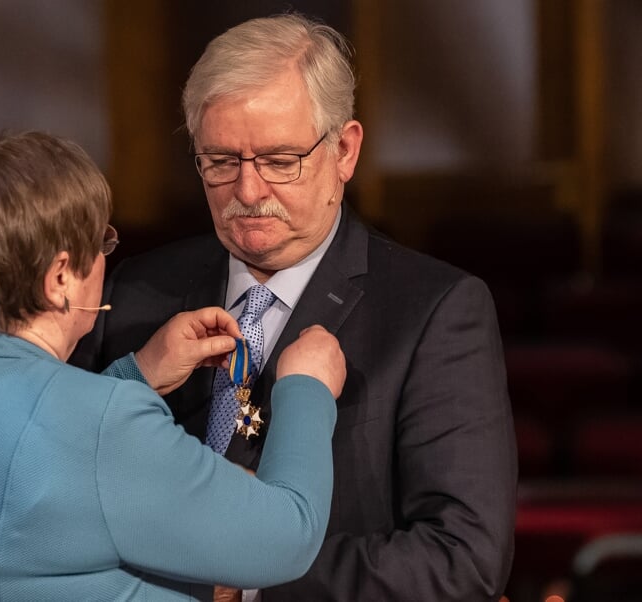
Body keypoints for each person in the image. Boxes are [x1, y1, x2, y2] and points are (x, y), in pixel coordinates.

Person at [71, 12, 518, 601]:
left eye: (281, 161)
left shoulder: (436, 311)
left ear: (345, 152)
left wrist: (246, 574)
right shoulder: (136, 290)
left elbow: (463, 559)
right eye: (222, 162)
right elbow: (57, 488)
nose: (249, 192)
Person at [0, 131, 348, 601]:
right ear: (60, 276)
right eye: (101, 244)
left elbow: (24, 468)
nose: (107, 260)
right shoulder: (101, 424)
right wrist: (306, 387)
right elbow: (287, 536)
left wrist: (139, 373)